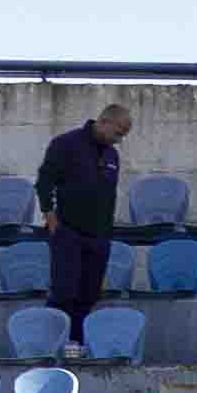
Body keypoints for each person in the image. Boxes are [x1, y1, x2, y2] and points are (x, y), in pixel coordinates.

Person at [33, 102, 125, 318]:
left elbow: (109, 196)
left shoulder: (112, 155)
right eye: (118, 133)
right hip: (68, 232)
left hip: (99, 237)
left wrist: (106, 235)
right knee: (63, 294)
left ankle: (77, 338)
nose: (119, 140)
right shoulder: (65, 144)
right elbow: (44, 182)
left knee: (89, 296)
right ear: (104, 121)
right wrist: (50, 217)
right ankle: (54, 337)